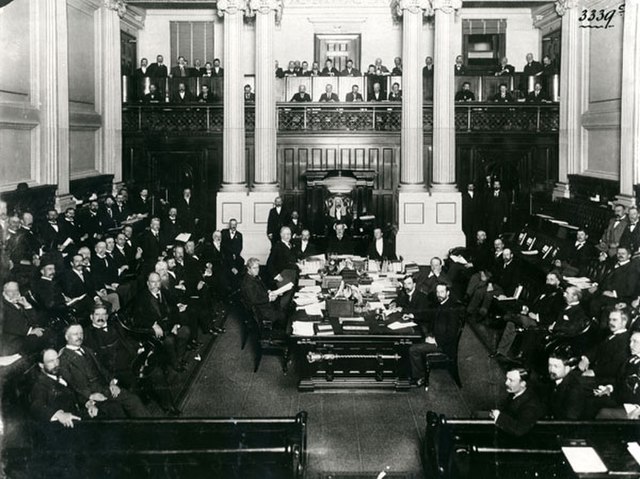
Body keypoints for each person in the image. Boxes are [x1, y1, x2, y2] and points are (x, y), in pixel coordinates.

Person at [58, 324, 150, 418]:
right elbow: (71, 385)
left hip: (105, 388)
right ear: (66, 336)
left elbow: (102, 369)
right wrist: (90, 396)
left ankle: (147, 429)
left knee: (133, 400)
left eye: (81, 333)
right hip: (88, 396)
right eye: (75, 334)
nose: (79, 336)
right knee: (115, 409)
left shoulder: (88, 350)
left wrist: (112, 383)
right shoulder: (63, 359)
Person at [491, 271, 565, 360]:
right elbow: (532, 303)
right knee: (511, 323)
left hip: (540, 322)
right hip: (529, 316)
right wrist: (527, 308)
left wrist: (536, 316)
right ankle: (501, 351)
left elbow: (554, 316)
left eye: (551, 280)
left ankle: (510, 316)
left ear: (558, 282)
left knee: (516, 318)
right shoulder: (544, 290)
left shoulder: (559, 297)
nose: (548, 282)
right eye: (547, 279)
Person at [134, 272, 191, 373]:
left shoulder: (164, 292)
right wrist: (153, 324)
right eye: (153, 282)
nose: (156, 285)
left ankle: (179, 358)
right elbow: (138, 319)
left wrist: (176, 324)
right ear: (148, 283)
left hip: (170, 325)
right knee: (169, 341)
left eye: (158, 281)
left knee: (185, 331)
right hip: (158, 330)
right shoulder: (142, 298)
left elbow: (174, 309)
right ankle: (175, 363)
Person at [409, 283, 460, 389]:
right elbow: (428, 314)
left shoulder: (452, 309)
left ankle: (420, 377)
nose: (439, 294)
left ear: (448, 293)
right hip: (435, 338)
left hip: (443, 345)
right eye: (437, 292)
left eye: (442, 292)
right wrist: (412, 315)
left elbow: (451, 334)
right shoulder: (440, 304)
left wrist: (435, 341)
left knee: (413, 349)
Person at [30, 349, 91, 427]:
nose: (56, 364)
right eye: (51, 361)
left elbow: (72, 392)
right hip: (66, 426)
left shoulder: (59, 373)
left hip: (79, 415)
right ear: (41, 365)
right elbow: (36, 406)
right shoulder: (39, 385)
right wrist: (58, 414)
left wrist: (87, 403)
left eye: (57, 359)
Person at [593, 330, 640, 419]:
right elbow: (620, 380)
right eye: (630, 341)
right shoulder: (629, 360)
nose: (630, 345)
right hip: (623, 401)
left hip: (634, 407)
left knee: (603, 413)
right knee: (592, 401)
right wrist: (609, 388)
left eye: (635, 342)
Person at [588, 246, 639, 327]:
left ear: (629, 255)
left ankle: (599, 331)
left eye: (623, 253)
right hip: (605, 292)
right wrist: (597, 286)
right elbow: (605, 280)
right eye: (618, 253)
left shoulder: (632, 269)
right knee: (587, 296)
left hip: (620, 298)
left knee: (597, 304)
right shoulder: (615, 264)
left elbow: (630, 290)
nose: (620, 255)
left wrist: (614, 294)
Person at [579, 309, 631, 388]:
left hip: (607, 379)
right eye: (610, 319)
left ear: (624, 322)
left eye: (614, 320)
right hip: (597, 373)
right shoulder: (611, 335)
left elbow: (615, 365)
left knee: (573, 382)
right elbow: (598, 348)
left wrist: (594, 372)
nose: (610, 322)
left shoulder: (626, 340)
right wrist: (586, 358)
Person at [490, 367, 546, 436]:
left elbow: (519, 429)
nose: (506, 383)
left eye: (511, 380)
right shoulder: (513, 396)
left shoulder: (531, 404)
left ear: (523, 384)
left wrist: (499, 416)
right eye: (507, 379)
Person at [2, 281, 52, 355]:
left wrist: (27, 306)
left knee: (48, 333)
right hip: (12, 342)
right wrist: (29, 331)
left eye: (16, 290)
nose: (14, 293)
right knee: (41, 338)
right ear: (4, 292)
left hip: (24, 337)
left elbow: (35, 321)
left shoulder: (19, 301)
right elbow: (7, 324)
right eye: (10, 291)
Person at [241, 257, 286, 328]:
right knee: (283, 315)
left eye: (258, 268)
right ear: (248, 269)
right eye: (254, 268)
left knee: (283, 308)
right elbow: (254, 300)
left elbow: (262, 288)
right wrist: (269, 299)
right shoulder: (248, 283)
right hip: (260, 311)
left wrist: (271, 292)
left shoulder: (254, 277)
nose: (257, 270)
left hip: (264, 306)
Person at [547, 347, 589, 419]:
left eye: (556, 366)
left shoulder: (574, 389)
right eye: (549, 365)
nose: (551, 370)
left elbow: (570, 421)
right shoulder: (553, 382)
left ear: (567, 369)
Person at [267, 226, 299, 309]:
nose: (287, 236)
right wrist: (276, 276)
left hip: (292, 275)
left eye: (289, 234)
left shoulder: (291, 245)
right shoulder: (277, 246)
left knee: (291, 299)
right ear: (281, 235)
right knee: (285, 301)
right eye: (285, 234)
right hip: (283, 276)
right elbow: (269, 263)